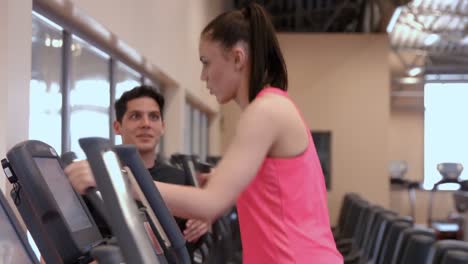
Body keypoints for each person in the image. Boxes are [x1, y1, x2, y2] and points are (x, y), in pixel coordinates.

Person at [69, 3, 343, 263]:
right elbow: (277, 189)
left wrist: (118, 181)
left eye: (206, 62)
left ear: (237, 58)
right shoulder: (271, 107)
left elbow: (208, 205)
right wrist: (224, 181)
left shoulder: (265, 111)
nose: (203, 76)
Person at [65, 86, 210, 252]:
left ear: (162, 126)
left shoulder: (180, 179)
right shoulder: (91, 177)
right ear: (117, 126)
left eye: (153, 117)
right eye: (136, 116)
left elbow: (190, 239)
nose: (146, 124)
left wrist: (203, 221)